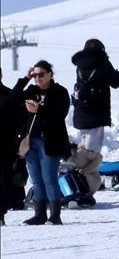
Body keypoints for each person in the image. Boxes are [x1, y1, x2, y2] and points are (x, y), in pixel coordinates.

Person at [15, 61, 71, 225]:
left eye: (41, 75)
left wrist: (39, 110)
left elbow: (60, 114)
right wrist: (25, 79)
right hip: (30, 141)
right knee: (36, 179)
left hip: (50, 140)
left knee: (49, 177)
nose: (37, 78)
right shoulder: (32, 91)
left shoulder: (59, 92)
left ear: (50, 74)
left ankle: (55, 215)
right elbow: (14, 98)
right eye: (34, 75)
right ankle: (39, 214)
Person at [71, 39, 119, 189]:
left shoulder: (80, 64)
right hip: (97, 110)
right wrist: (118, 74)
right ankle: (86, 180)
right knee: (92, 150)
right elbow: (115, 82)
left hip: (82, 110)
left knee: (85, 145)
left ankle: (84, 177)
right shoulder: (103, 62)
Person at [1, 67, 31, 225]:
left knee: (5, 179)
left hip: (7, 144)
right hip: (8, 143)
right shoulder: (9, 95)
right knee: (5, 179)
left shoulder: (9, 95)